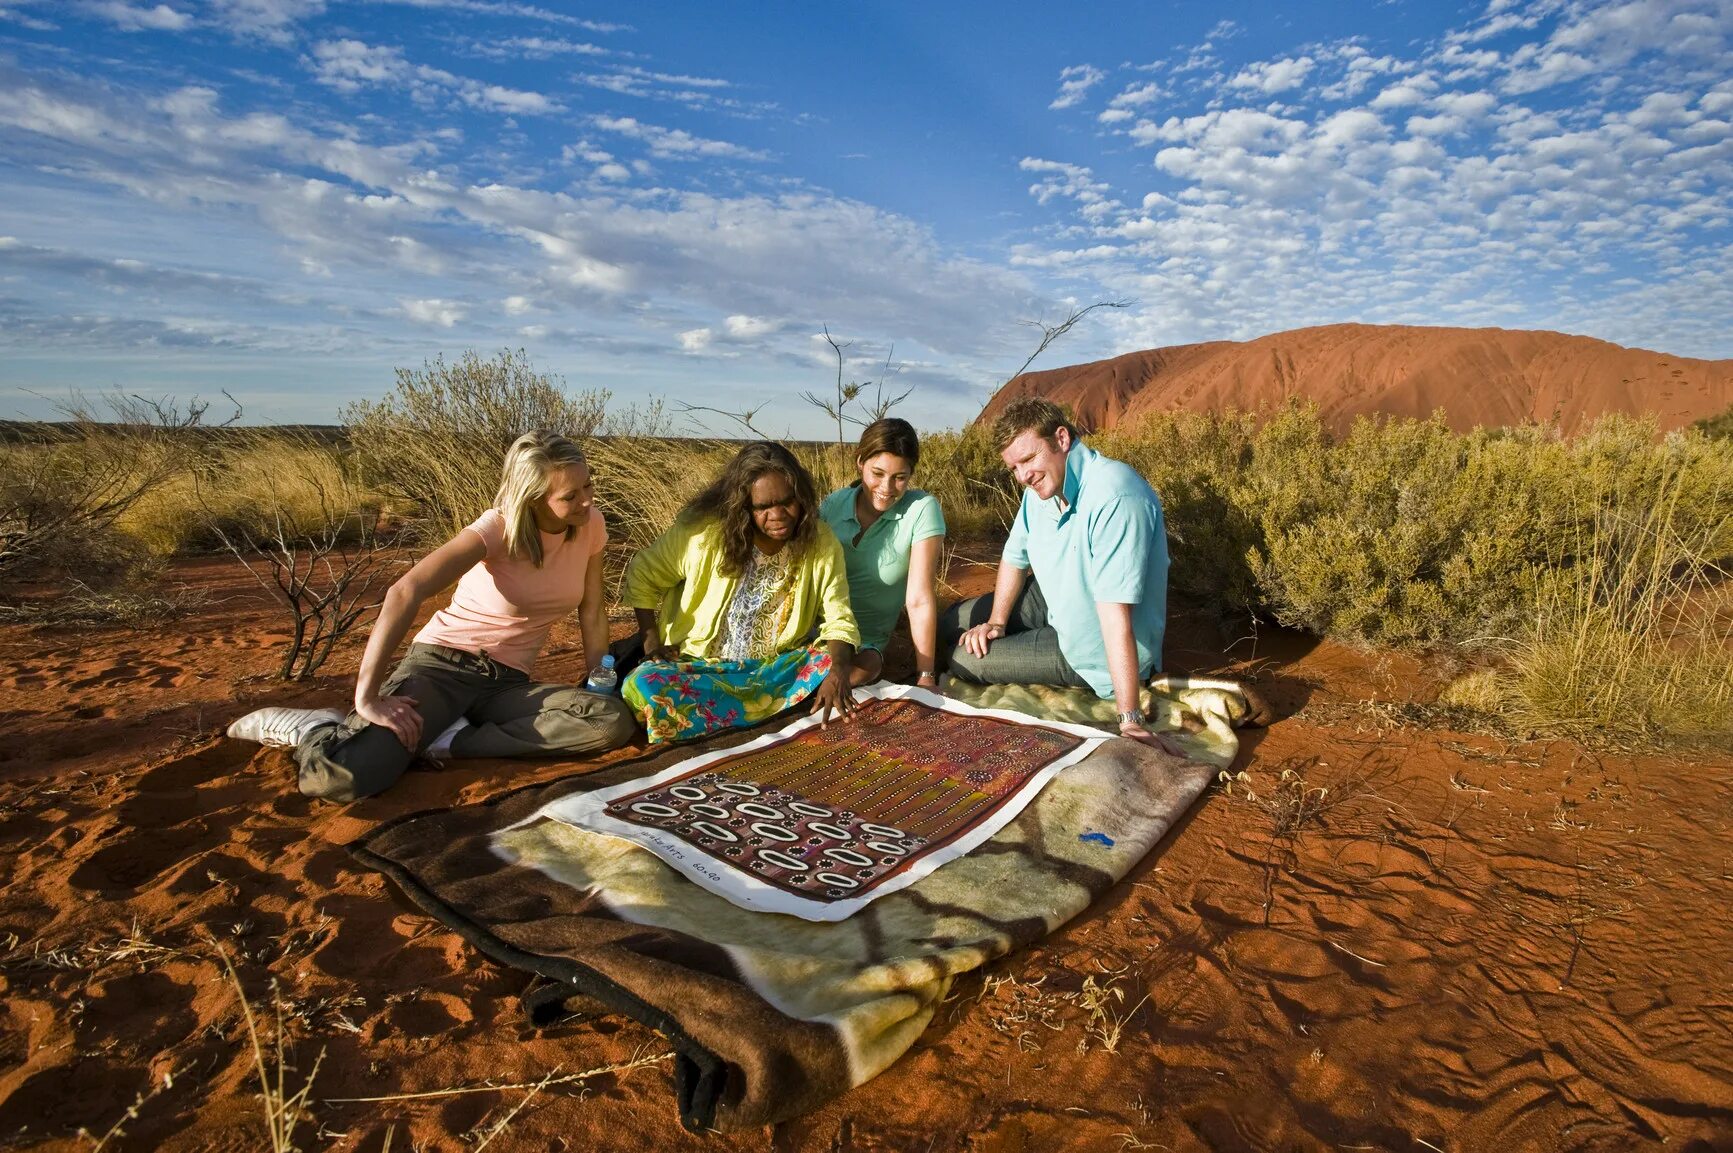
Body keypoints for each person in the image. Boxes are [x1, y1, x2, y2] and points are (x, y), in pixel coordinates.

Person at [227, 430, 638, 801]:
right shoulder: (496, 529)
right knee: (340, 779)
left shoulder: (590, 524)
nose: (587, 500)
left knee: (608, 721)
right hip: (444, 668)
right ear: (532, 498)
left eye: (588, 485)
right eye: (570, 495)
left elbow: (591, 609)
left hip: (506, 684)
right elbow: (405, 590)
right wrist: (367, 697)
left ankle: (450, 739)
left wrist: (596, 680)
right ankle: (314, 730)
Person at [939, 398, 1177, 751]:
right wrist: (997, 623)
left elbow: (1114, 617)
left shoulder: (1115, 496)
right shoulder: (1041, 487)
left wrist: (1129, 718)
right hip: (1055, 596)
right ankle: (1006, 628)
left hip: (1089, 646)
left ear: (1061, 439)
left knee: (960, 659)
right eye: (1014, 467)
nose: (1022, 476)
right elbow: (1014, 556)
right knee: (950, 622)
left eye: (1028, 459)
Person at [621, 441, 860, 743]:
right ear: (743, 506)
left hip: (772, 671)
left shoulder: (821, 541)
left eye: (788, 501)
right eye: (763, 507)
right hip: (703, 668)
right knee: (644, 684)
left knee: (845, 660)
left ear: (802, 496)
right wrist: (652, 645)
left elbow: (839, 616)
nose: (778, 515)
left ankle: (719, 716)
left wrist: (837, 668)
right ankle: (764, 710)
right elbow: (643, 574)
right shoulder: (702, 534)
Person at [817, 418, 946, 688]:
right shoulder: (833, 505)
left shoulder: (922, 509)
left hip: (867, 644)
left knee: (856, 674)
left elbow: (919, 599)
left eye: (900, 478)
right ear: (860, 462)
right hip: (819, 632)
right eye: (877, 473)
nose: (887, 489)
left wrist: (926, 677)